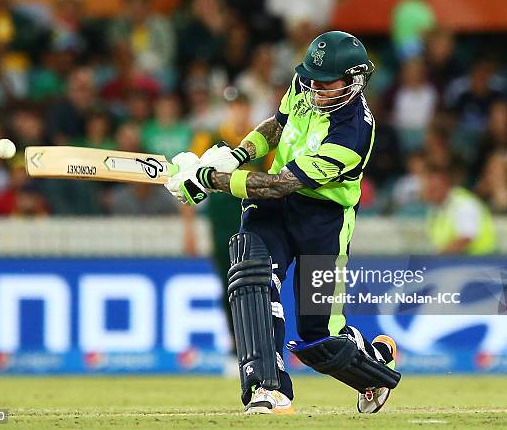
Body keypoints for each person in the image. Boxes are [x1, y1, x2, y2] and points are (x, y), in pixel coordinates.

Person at [166, 31, 400, 414]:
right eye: (310, 80)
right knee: (252, 276)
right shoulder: (307, 85)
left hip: (323, 221)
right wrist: (236, 154)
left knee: (319, 341)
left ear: (355, 81)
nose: (315, 90)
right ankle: (267, 389)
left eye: (326, 85)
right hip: (273, 212)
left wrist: (210, 179)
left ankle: (375, 365)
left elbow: (279, 185)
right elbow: (276, 125)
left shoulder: (353, 133)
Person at [422, 163, 497, 254]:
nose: (431, 191)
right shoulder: (435, 207)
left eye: (435, 188)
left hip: (481, 260)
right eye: (429, 187)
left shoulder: (464, 203)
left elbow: (466, 238)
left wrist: (438, 257)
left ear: (446, 185)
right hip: (457, 261)